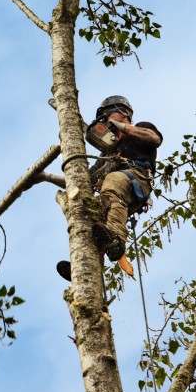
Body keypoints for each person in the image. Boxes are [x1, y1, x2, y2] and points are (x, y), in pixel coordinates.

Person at [55, 95, 163, 277]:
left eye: (107, 116)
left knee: (112, 180)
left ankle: (117, 240)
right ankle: (83, 267)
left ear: (124, 113)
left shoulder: (140, 130)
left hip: (137, 179)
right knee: (88, 214)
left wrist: (122, 128)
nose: (105, 121)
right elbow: (82, 181)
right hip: (115, 196)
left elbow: (155, 139)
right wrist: (46, 177)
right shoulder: (107, 155)